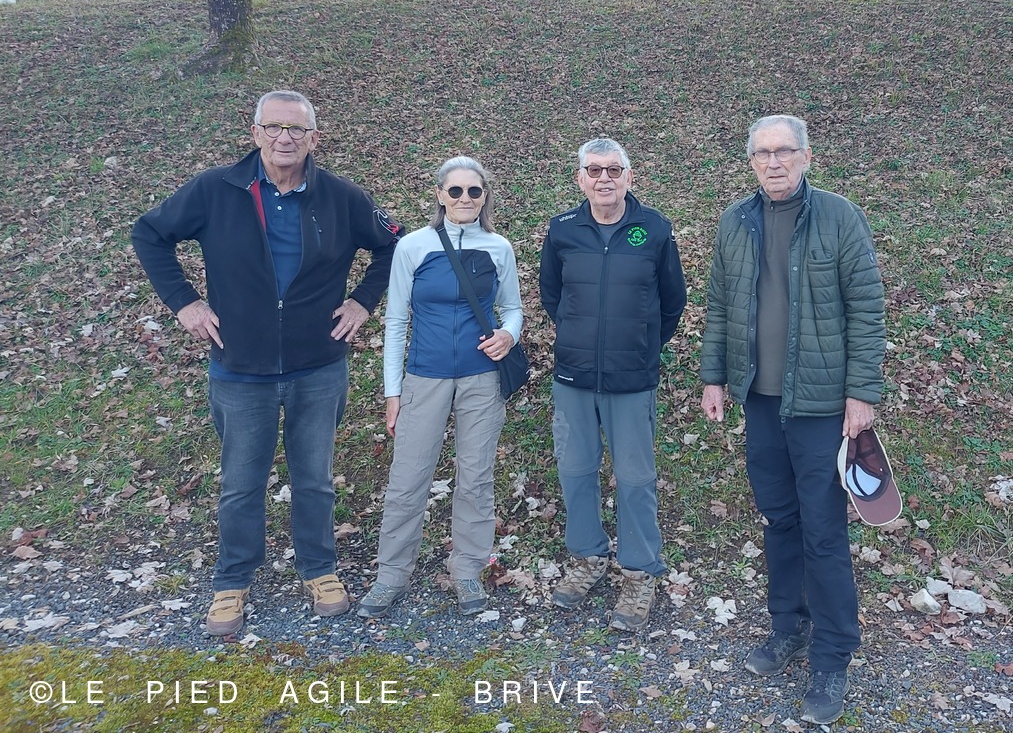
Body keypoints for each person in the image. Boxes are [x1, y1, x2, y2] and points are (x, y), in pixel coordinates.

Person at [131, 90, 401, 637]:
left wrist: (362, 301)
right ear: (255, 133)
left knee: (314, 479)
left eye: (296, 129)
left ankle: (319, 570)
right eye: (274, 127)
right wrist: (185, 303)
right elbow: (149, 234)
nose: (285, 138)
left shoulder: (341, 196)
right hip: (240, 368)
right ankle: (232, 580)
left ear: (313, 139)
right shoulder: (215, 189)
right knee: (241, 483)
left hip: (317, 366)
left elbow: (394, 243)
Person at [699, 114, 885, 726]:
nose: (773, 162)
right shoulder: (735, 221)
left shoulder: (839, 216)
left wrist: (861, 393)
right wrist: (713, 376)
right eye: (763, 153)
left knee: (823, 531)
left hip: (823, 407)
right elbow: (721, 305)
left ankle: (832, 656)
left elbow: (867, 309)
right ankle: (788, 627)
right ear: (751, 160)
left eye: (784, 151)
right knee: (778, 519)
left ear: (806, 156)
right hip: (760, 401)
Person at [357, 156, 523, 618]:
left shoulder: (498, 248)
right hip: (424, 377)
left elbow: (513, 308)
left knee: (476, 477)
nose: (465, 198)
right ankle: (391, 574)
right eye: (455, 190)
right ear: (439, 195)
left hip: (481, 378)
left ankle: (467, 569)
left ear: (485, 196)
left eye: (474, 191)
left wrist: (509, 335)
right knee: (407, 478)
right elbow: (396, 321)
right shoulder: (413, 246)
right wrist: (393, 393)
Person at [539, 137, 687, 632]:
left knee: (636, 478)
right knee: (575, 470)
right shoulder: (562, 229)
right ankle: (587, 557)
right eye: (595, 170)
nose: (604, 178)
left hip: (632, 379)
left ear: (629, 177)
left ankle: (640, 571)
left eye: (613, 170)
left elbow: (672, 301)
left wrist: (640, 345)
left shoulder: (655, 229)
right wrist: (580, 337)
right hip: (574, 376)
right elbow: (552, 294)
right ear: (580, 178)